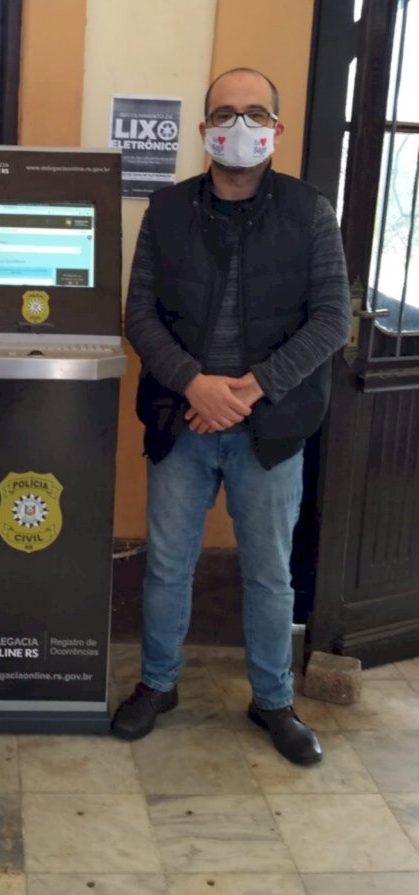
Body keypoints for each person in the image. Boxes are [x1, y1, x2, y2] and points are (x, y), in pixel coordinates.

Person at [111, 68, 350, 765]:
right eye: (225, 113)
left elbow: (333, 318)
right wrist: (196, 386)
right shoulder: (168, 209)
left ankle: (273, 698)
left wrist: (249, 389)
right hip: (181, 421)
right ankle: (159, 684)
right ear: (204, 130)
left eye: (254, 114)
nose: (239, 126)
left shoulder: (310, 211)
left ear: (276, 129)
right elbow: (140, 315)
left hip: (270, 429)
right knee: (167, 567)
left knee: (271, 575)